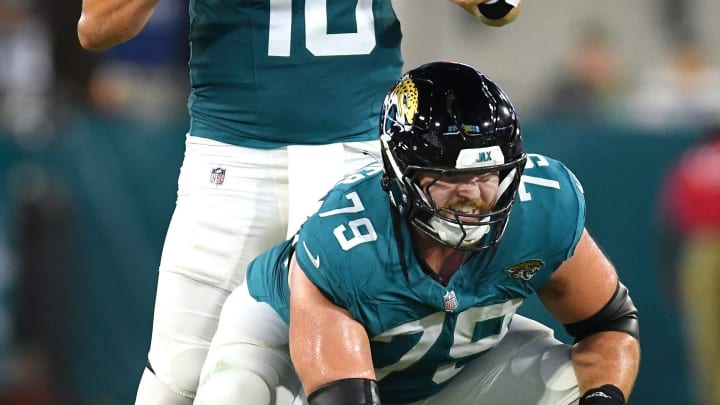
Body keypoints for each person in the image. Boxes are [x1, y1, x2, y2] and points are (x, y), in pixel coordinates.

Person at [76, 1, 523, 404]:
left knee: (352, 373)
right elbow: (96, 27)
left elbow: (498, 8)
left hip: (358, 159)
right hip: (234, 157)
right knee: (178, 376)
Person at [196, 61, 641, 404]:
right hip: (290, 341)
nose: (473, 195)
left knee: (574, 388)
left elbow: (611, 326)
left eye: (488, 174)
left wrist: (604, 397)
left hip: (453, 361)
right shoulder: (347, 245)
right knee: (232, 390)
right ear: (400, 173)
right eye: (449, 177)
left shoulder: (544, 208)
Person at [658, 128, 720, 405]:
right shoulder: (694, 161)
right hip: (700, 245)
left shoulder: (693, 161)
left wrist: (671, 273)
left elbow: (670, 222)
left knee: (706, 339)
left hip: (698, 248)